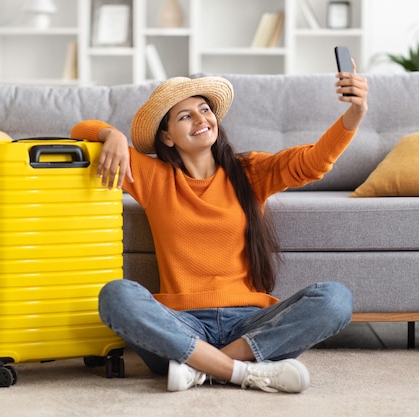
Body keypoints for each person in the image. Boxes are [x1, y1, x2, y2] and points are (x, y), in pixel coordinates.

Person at [71, 64, 368, 393]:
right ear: (167, 137)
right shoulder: (154, 177)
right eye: (185, 116)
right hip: (181, 326)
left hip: (248, 326)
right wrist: (112, 135)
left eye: (205, 110)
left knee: (336, 299)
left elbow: (312, 162)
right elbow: (79, 129)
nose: (201, 120)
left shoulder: (249, 171)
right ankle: (243, 373)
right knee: (115, 295)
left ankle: (202, 369)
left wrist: (355, 113)